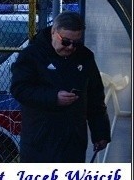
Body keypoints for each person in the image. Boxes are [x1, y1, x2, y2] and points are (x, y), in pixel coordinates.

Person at [10, 11, 111, 162]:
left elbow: (95, 97)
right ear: (53, 32)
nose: (70, 47)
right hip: (40, 140)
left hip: (73, 140)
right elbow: (20, 89)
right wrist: (53, 97)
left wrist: (100, 132)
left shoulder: (85, 56)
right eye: (65, 41)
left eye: (76, 43)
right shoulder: (32, 55)